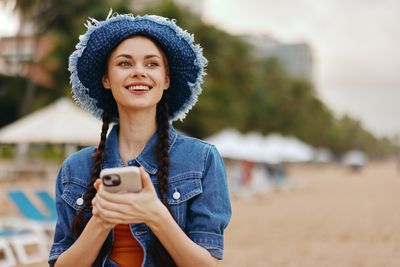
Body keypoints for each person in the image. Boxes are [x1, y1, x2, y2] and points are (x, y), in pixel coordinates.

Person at [48, 10, 231, 267]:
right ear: (106, 79)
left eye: (151, 64)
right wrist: (100, 222)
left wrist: (156, 215)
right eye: (124, 63)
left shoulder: (202, 160)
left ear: (166, 80)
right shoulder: (75, 169)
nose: (138, 72)